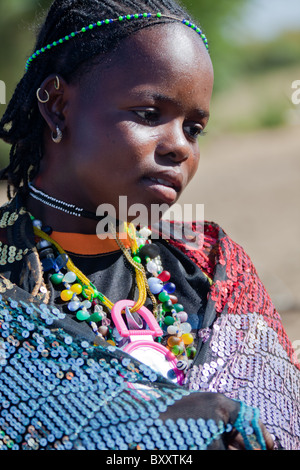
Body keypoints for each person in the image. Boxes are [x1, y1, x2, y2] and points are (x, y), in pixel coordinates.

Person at [0, 0, 297, 451]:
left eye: (194, 128)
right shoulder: (9, 286)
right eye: (148, 115)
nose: (179, 146)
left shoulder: (212, 267)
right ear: (58, 107)